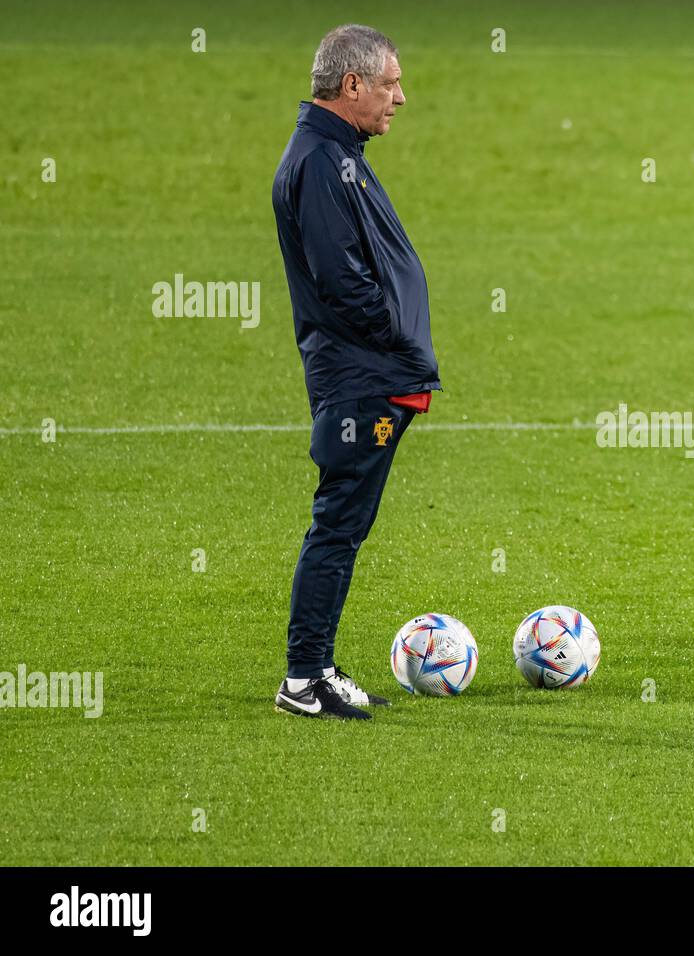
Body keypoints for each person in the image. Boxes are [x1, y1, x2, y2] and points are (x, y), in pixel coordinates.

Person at [270, 24, 439, 719]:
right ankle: (303, 678)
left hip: (372, 373)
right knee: (338, 524)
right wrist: (395, 336)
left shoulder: (335, 153)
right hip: (359, 380)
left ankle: (317, 667)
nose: (400, 97)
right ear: (352, 85)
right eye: (390, 83)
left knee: (346, 524)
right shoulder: (318, 161)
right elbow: (341, 282)